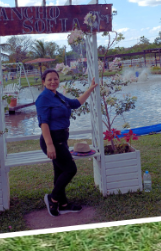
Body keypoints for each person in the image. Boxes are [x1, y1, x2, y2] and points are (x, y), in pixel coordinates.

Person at [35, 69, 98, 217]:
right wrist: (50, 145)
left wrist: (89, 89)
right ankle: (53, 198)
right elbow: (43, 123)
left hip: (61, 139)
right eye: (49, 79)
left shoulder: (58, 96)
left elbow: (76, 103)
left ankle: (63, 205)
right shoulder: (43, 98)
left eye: (55, 79)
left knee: (60, 172)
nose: (53, 82)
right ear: (43, 82)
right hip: (52, 140)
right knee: (70, 169)